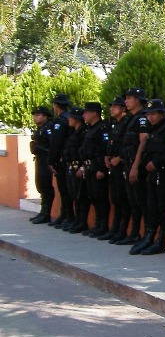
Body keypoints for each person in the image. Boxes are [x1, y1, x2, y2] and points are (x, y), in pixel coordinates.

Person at [132, 99, 165, 256]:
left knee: (164, 208)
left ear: (161, 113)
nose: (150, 117)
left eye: (153, 114)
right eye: (148, 114)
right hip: (153, 175)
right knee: (151, 207)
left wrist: (157, 162)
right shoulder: (154, 129)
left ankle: (161, 240)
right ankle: (149, 236)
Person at [115, 88, 149, 247]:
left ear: (138, 100)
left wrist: (135, 166)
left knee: (141, 201)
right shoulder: (131, 119)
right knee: (132, 201)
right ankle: (134, 233)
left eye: (129, 98)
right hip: (127, 164)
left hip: (138, 166)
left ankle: (143, 235)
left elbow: (143, 142)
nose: (126, 101)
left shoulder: (142, 118)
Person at [77, 101, 111, 237]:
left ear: (95, 113)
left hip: (98, 167)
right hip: (89, 167)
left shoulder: (103, 128)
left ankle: (103, 226)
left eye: (86, 112)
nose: (84, 115)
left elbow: (104, 150)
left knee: (100, 197)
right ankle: (97, 224)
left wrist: (102, 169)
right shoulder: (89, 128)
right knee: (93, 197)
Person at [102, 97, 131, 243]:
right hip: (113, 165)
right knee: (115, 198)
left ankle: (122, 231)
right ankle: (115, 229)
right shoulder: (114, 123)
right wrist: (108, 155)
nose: (111, 109)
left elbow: (129, 144)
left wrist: (119, 158)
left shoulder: (127, 122)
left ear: (123, 109)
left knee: (122, 199)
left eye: (115, 106)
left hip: (122, 165)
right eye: (111, 106)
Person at [47, 93, 73, 228]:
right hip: (69, 158)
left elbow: (56, 142)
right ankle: (65, 215)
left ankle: (68, 217)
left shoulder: (60, 121)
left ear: (56, 106)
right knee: (67, 190)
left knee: (64, 190)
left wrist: (51, 160)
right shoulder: (70, 118)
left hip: (63, 159)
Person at [61, 106, 88, 234]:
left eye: (71, 118)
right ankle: (77, 220)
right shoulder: (74, 132)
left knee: (81, 196)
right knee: (74, 195)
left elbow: (84, 152)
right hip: (71, 166)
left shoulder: (83, 132)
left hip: (79, 167)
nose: (69, 120)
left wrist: (82, 167)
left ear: (77, 119)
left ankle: (82, 222)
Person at [29, 105, 55, 224]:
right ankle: (43, 211)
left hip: (46, 161)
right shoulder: (39, 129)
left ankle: (46, 213)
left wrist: (41, 149)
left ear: (45, 117)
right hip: (39, 160)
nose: (36, 117)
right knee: (40, 185)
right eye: (35, 115)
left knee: (45, 186)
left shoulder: (48, 128)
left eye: (39, 115)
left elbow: (53, 147)